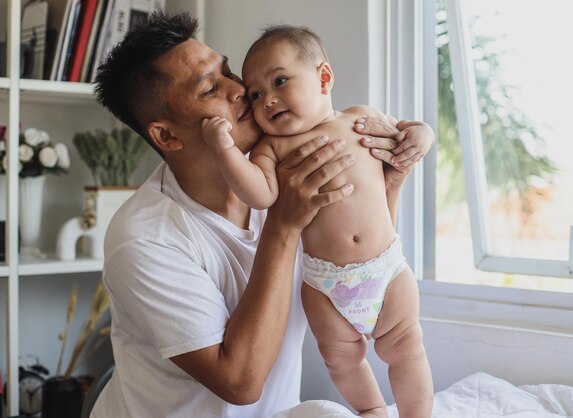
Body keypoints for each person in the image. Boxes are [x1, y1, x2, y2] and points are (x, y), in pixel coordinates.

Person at [90, 11, 433, 418]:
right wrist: (284, 225)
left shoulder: (287, 157)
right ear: (167, 135)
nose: (241, 91)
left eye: (229, 72)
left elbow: (359, 240)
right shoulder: (145, 239)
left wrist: (390, 179)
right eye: (210, 88)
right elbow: (239, 383)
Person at [202, 25, 434, 418]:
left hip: (386, 269)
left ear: (323, 77)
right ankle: (372, 410)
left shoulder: (360, 120)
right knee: (341, 360)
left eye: (280, 81)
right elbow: (259, 194)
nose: (267, 100)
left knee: (407, 349)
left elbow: (404, 135)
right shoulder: (270, 147)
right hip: (325, 285)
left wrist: (422, 135)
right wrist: (224, 151)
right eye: (256, 94)